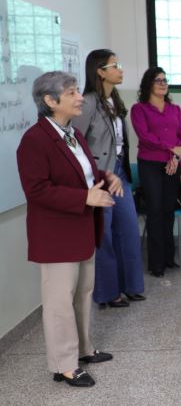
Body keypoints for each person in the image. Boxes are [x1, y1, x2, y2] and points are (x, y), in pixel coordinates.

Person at [17, 71, 121, 387]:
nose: (80, 97)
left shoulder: (71, 132)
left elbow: (82, 172)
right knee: (60, 300)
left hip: (82, 227)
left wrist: (105, 177)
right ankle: (63, 364)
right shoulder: (34, 141)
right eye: (72, 92)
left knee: (82, 293)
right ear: (50, 101)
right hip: (57, 234)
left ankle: (83, 349)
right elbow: (37, 190)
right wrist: (85, 196)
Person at [71, 49, 144, 309]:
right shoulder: (89, 102)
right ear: (100, 71)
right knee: (104, 235)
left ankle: (131, 286)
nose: (120, 69)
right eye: (115, 65)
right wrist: (94, 173)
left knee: (128, 231)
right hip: (100, 176)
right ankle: (108, 293)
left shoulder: (116, 100)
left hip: (120, 173)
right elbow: (76, 141)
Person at [130, 68, 181, 278]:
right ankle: (156, 263)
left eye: (165, 80)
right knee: (154, 210)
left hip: (172, 164)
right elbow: (144, 137)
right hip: (150, 164)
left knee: (168, 209)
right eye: (158, 80)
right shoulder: (139, 109)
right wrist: (170, 148)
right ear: (148, 84)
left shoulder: (175, 109)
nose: (163, 83)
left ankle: (168, 258)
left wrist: (175, 156)